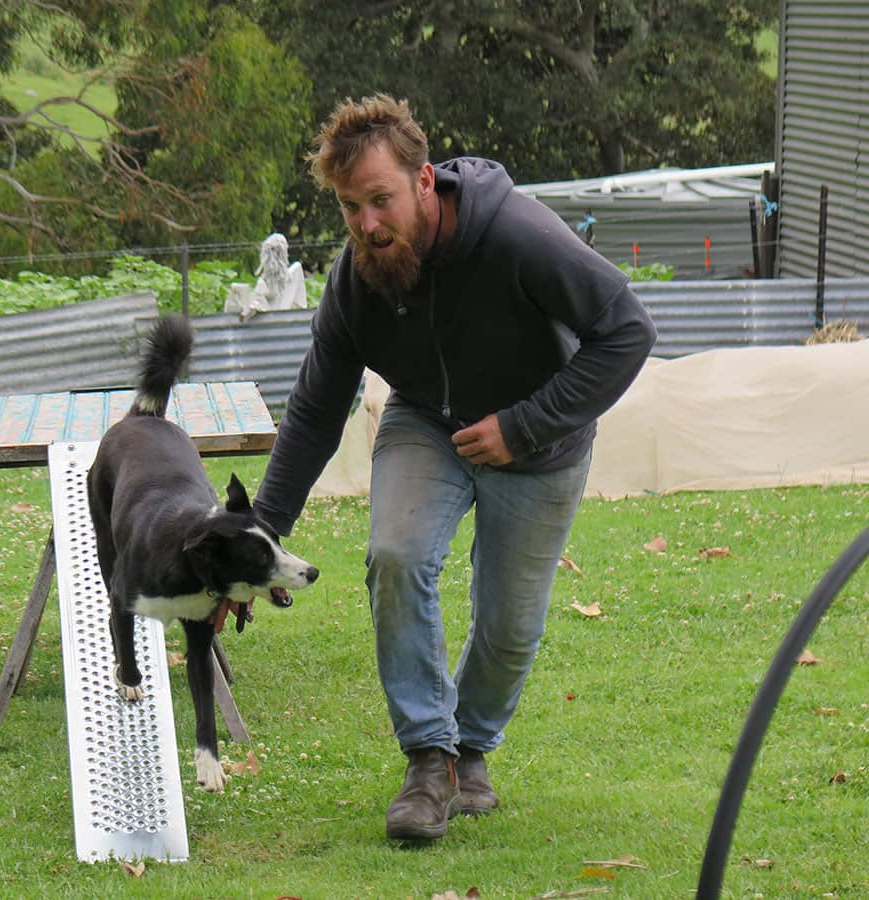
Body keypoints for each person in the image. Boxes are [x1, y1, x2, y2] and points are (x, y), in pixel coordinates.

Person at [252, 94, 656, 841]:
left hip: (540, 443)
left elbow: (628, 331)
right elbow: (314, 408)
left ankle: (469, 751)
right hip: (426, 424)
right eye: (350, 207)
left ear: (423, 181)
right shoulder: (357, 277)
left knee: (510, 629)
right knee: (396, 554)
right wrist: (261, 533)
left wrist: (523, 426)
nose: (367, 225)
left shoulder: (517, 235)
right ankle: (427, 763)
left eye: (380, 200)